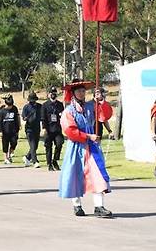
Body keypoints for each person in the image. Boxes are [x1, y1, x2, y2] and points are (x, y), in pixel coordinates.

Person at [59, 79, 112, 218]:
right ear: (73, 93)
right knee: (75, 175)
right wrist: (88, 136)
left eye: (83, 91)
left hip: (92, 147)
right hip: (76, 146)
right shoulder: (68, 111)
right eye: (79, 91)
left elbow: (104, 116)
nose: (82, 93)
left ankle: (99, 206)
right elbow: (70, 130)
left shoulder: (91, 106)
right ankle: (77, 205)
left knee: (98, 174)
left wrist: (101, 101)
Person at [42, 86, 64, 171]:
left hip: (57, 129)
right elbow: (43, 118)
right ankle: (49, 164)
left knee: (59, 143)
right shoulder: (45, 105)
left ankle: (55, 160)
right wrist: (44, 128)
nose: (53, 95)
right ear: (48, 94)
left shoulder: (60, 104)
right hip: (48, 129)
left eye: (54, 93)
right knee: (48, 147)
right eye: (51, 93)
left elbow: (63, 116)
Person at [0, 94, 20, 164]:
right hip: (5, 131)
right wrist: (0, 131)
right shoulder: (2, 111)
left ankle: (10, 154)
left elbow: (17, 118)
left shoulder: (14, 109)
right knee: (5, 145)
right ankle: (6, 158)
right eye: (9, 106)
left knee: (14, 143)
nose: (10, 107)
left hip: (13, 130)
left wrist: (18, 127)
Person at [22, 91, 42, 168]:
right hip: (29, 129)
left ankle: (27, 157)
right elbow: (23, 117)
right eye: (31, 100)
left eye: (33, 100)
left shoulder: (39, 106)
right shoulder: (26, 107)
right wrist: (26, 118)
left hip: (37, 128)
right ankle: (35, 161)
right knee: (32, 145)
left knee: (35, 146)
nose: (32, 102)